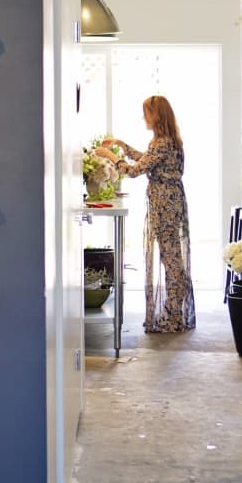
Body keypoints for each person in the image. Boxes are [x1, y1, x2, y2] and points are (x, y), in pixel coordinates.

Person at [95, 95, 196, 334]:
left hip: (166, 205)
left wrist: (110, 156)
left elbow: (133, 171)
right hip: (168, 202)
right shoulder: (166, 141)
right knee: (171, 258)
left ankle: (173, 316)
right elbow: (146, 160)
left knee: (171, 260)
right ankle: (174, 311)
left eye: (147, 113)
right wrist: (121, 144)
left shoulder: (163, 143)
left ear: (157, 115)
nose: (144, 118)